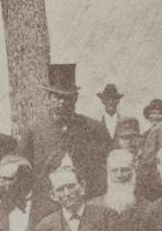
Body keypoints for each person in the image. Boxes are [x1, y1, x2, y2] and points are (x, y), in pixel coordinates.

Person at [18, 64, 111, 201]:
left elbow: (108, 163)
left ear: (75, 98)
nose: (62, 102)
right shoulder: (34, 130)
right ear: (48, 98)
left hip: (86, 200)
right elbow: (23, 166)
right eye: (56, 96)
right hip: (46, 202)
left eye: (67, 97)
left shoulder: (94, 128)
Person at [92, 147, 145, 231]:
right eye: (114, 170)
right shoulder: (93, 206)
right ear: (108, 173)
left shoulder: (146, 207)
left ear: (133, 172)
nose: (119, 175)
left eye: (124, 170)